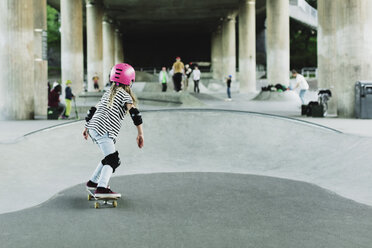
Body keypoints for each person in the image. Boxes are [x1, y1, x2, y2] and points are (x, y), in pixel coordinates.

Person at [83, 63, 144, 197]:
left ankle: (93, 182)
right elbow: (135, 114)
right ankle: (102, 188)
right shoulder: (125, 96)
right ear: (130, 80)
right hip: (104, 130)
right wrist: (140, 133)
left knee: (109, 157)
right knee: (113, 160)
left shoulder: (108, 93)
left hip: (94, 128)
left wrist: (87, 127)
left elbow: (92, 110)